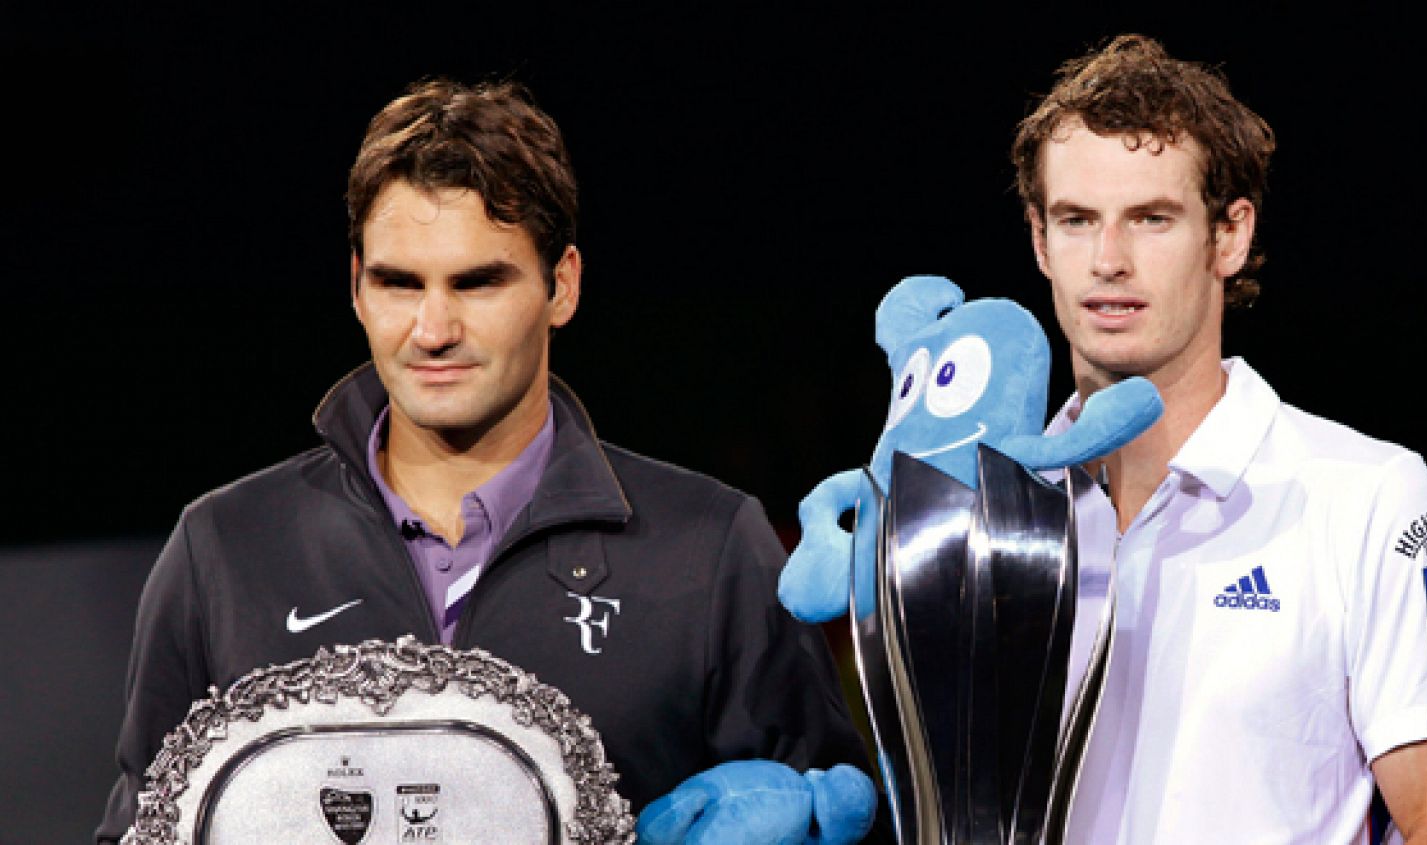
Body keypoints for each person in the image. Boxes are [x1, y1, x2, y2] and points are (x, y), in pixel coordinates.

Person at [97, 78, 871, 843]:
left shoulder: (711, 550)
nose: (433, 328)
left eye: (477, 282)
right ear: (357, 288)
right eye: (399, 282)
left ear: (560, 285)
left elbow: (832, 817)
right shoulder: (225, 548)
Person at [1009, 35, 1427, 843]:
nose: (1108, 259)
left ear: (1230, 235)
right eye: (1077, 220)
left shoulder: (1374, 500)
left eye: (1152, 218)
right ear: (1039, 240)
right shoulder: (984, 515)